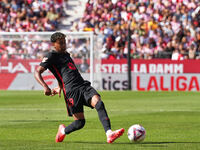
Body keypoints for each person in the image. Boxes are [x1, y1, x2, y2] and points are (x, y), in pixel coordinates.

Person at [34, 32, 124, 143]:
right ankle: (63, 131)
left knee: (99, 103)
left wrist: (59, 86)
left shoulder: (66, 54)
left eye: (64, 42)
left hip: (82, 85)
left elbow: (62, 73)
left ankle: (109, 133)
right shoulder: (51, 56)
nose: (63, 45)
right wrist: (45, 87)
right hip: (71, 91)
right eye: (60, 43)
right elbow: (37, 72)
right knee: (80, 123)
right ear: (54, 45)